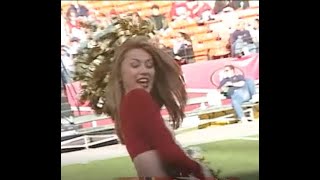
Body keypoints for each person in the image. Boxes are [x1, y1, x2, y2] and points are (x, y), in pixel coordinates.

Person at [103, 36, 213, 178]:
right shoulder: (137, 97)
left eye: (150, 65)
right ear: (120, 74)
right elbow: (170, 153)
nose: (144, 71)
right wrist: (199, 170)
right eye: (135, 65)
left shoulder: (127, 104)